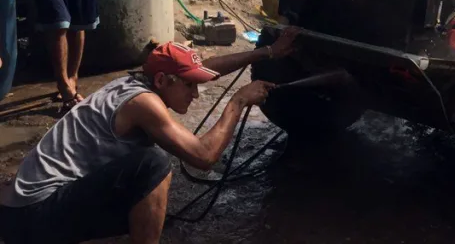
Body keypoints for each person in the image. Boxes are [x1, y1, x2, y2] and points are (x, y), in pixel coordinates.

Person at [0, 28, 298, 244]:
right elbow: (204, 156)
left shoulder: (135, 82)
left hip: (20, 212)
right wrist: (238, 101)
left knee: (149, 199)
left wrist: (267, 52)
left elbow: (206, 70)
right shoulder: (143, 103)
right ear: (162, 80)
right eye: (189, 86)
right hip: (33, 219)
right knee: (153, 165)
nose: (196, 94)